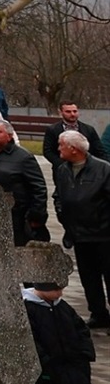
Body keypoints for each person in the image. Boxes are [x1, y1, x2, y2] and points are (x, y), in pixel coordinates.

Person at [54, 129, 110, 327]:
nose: (58, 148)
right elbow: (58, 196)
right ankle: (98, 314)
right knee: (88, 278)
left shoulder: (104, 170)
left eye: (61, 145)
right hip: (78, 235)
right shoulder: (63, 170)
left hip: (103, 236)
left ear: (74, 149)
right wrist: (62, 216)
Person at [26, 281, 96, 384]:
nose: (60, 294)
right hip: (49, 372)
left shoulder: (63, 307)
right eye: (57, 290)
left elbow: (82, 331)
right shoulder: (29, 309)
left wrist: (85, 354)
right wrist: (45, 362)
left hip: (75, 369)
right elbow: (29, 340)